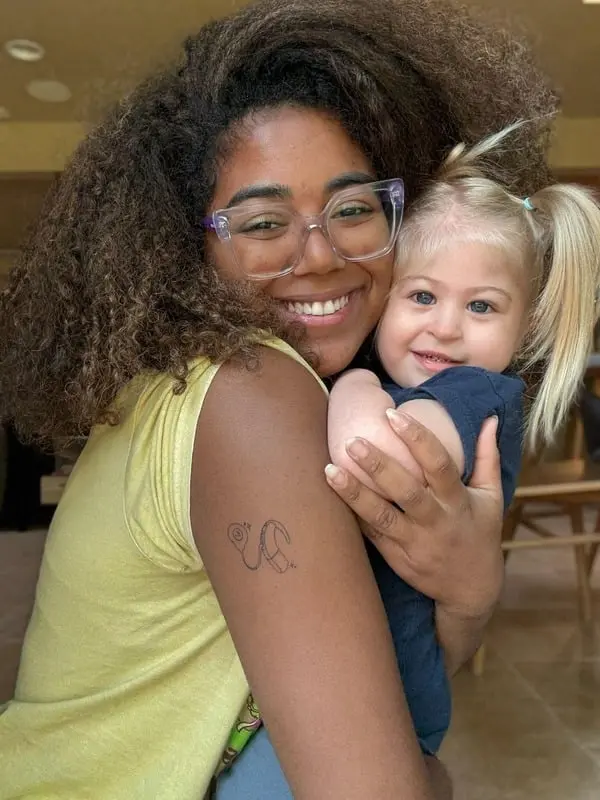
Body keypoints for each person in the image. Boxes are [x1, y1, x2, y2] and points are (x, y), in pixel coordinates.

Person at [0, 1, 558, 798]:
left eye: (353, 208)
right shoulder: (253, 392)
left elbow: (393, 671)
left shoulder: (210, 376)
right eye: (263, 223)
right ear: (186, 244)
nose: (320, 255)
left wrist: (467, 593)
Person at [327, 123, 600, 759]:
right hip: (344, 671)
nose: (446, 327)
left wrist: (352, 383)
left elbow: (376, 457)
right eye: (423, 295)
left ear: (523, 326)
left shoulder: (480, 393)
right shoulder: (407, 385)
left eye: (482, 307)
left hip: (389, 702)